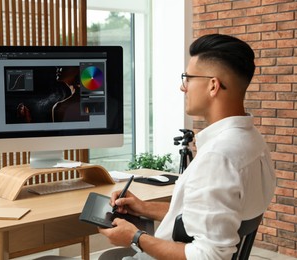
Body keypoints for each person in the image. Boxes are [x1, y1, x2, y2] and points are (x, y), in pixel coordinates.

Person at [98, 34, 276, 259]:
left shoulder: (218, 157)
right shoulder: (253, 142)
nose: (183, 87)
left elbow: (210, 256)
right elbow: (209, 218)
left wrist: (135, 237)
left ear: (213, 85)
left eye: (188, 78)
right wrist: (142, 207)